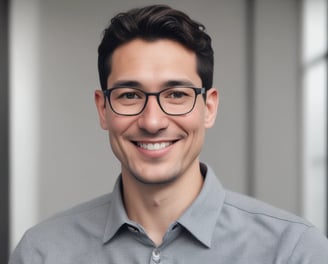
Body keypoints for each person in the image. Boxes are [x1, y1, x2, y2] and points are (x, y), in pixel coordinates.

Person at [9, 4, 328, 264]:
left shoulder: (294, 251)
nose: (152, 121)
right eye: (130, 95)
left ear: (209, 107)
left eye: (176, 94)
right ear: (103, 109)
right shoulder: (42, 253)